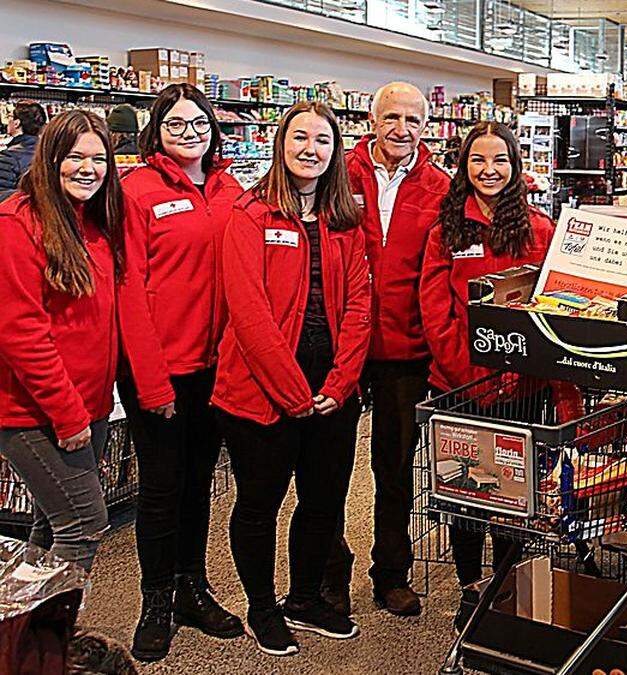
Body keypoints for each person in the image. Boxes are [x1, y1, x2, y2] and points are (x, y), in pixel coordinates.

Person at [212, 101, 370, 657]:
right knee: (260, 502)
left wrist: (341, 382)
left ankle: (304, 597)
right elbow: (248, 313)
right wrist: (293, 394)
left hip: (331, 392)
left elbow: (358, 305)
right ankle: (262, 607)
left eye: (323, 140)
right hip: (261, 392)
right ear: (281, 144)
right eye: (300, 137)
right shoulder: (250, 215)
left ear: (335, 152)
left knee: (324, 500)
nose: (311, 149)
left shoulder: (344, 220)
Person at [116, 84, 245, 662]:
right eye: (176, 123)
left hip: (216, 369)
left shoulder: (229, 188)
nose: (190, 133)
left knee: (200, 486)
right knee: (162, 489)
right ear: (156, 129)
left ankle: (194, 586)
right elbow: (128, 292)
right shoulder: (135, 190)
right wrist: (149, 381)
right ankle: (156, 600)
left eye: (199, 123)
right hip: (161, 370)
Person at [418, 121, 554, 631]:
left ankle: (507, 584)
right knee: (467, 493)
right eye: (478, 160)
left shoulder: (538, 228)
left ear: (515, 166)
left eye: (500, 160)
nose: (489, 170)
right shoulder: (446, 231)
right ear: (464, 166)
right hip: (460, 385)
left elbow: (548, 307)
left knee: (515, 493)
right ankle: (471, 589)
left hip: (523, 386)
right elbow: (436, 311)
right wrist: (467, 373)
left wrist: (520, 372)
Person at [323, 82, 450, 618]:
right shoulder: (337, 173)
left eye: (413, 120)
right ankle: (328, 572)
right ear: (371, 120)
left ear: (427, 126)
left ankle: (390, 573)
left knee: (394, 469)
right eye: (391, 117)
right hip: (339, 344)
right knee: (325, 465)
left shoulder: (440, 187)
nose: (401, 129)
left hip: (405, 346)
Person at [0, 110, 123, 571]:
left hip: (88, 405)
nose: (88, 168)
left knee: (51, 526)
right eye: (74, 157)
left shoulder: (91, 222)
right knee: (83, 525)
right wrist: (69, 417)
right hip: (35, 413)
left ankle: (23, 637)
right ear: (50, 158)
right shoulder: (17, 224)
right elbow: (21, 334)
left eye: (99, 158)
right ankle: (52, 641)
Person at [0, 101, 48, 199]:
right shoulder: (48, 154)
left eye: (10, 117)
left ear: (17, 123)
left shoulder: (9, 157)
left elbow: (2, 196)